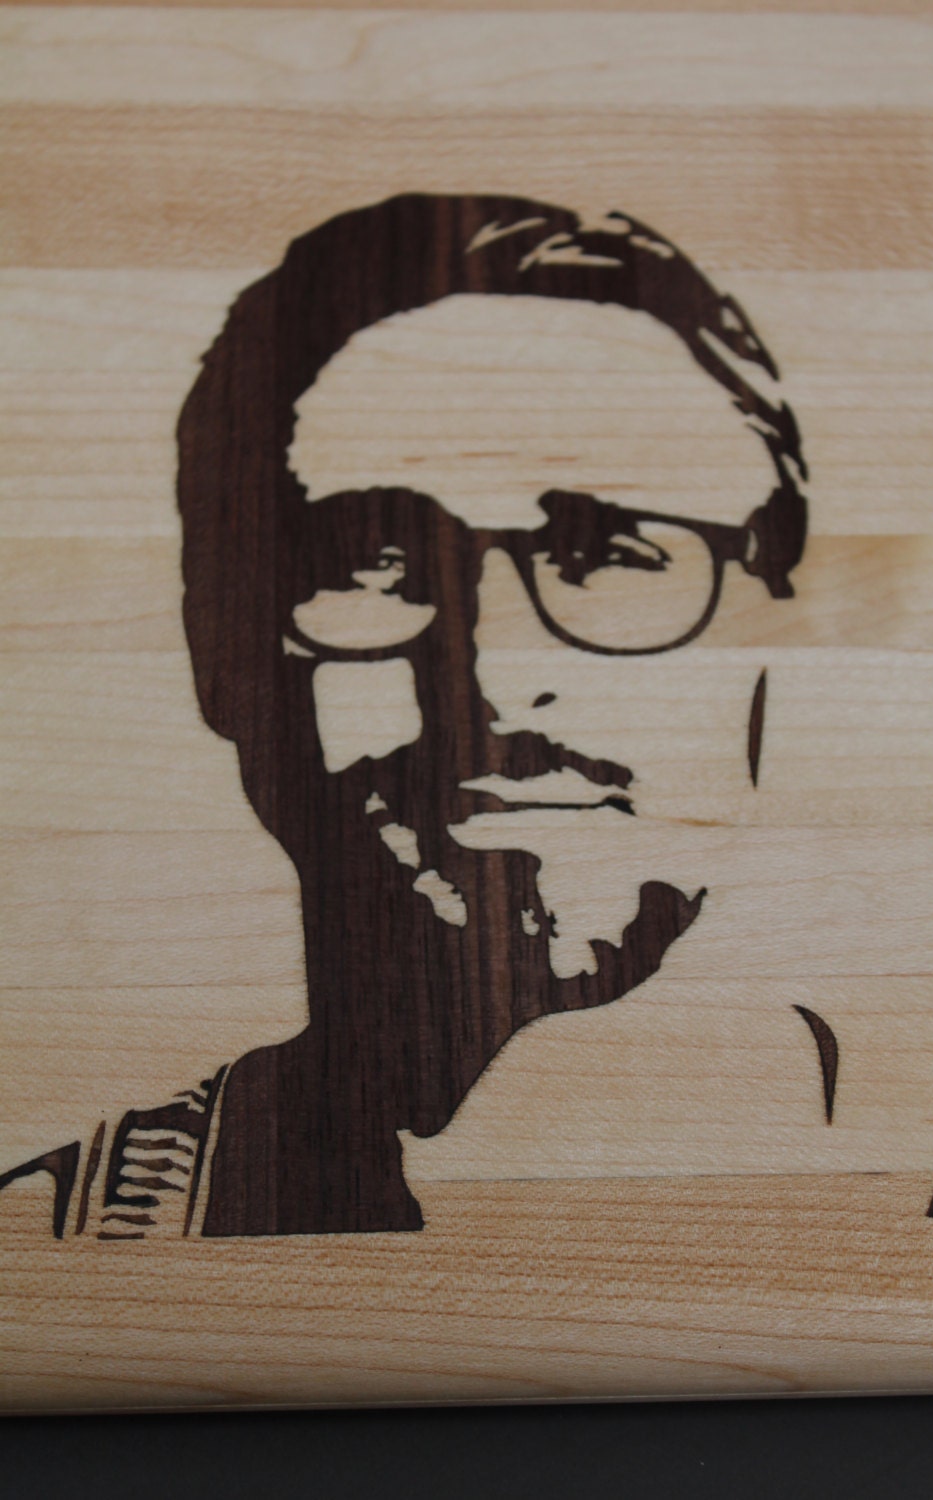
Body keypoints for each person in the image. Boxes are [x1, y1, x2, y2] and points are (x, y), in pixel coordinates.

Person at [0, 194, 807, 1239]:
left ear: (784, 646)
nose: (497, 679)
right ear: (219, 653)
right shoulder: (49, 1251)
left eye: (612, 557)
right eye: (369, 566)